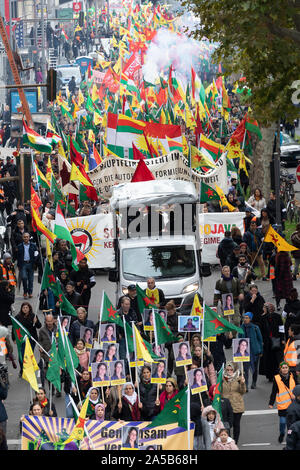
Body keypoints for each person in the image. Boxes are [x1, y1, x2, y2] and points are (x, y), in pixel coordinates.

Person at [269, 361, 296, 443]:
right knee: (283, 422)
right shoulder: (277, 378)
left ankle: (290, 437)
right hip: (283, 406)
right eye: (283, 368)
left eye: (286, 368)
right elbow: (274, 392)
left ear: (288, 368)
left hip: (292, 405)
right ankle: (282, 433)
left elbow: (297, 387)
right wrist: (271, 403)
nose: (285, 369)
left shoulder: (292, 376)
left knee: (290, 425)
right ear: (280, 369)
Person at [12, 302, 42, 373]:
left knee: (28, 355)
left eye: (26, 308)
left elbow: (39, 326)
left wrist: (36, 321)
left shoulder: (33, 316)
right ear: (21, 309)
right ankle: (22, 369)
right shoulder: (18, 317)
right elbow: (14, 328)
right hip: (22, 339)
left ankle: (28, 369)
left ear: (29, 308)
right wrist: (14, 338)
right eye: (23, 308)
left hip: (31, 339)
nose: (25, 309)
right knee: (22, 355)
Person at [222, 361, 246, 445]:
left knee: (236, 424)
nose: (229, 371)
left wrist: (242, 384)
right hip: (226, 406)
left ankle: (235, 442)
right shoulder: (222, 379)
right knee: (227, 425)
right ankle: (227, 441)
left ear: (234, 369)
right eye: (227, 370)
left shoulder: (239, 378)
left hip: (237, 405)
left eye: (231, 370)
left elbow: (243, 391)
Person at [213, 265, 244, 333]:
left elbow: (240, 289)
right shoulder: (219, 282)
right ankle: (228, 337)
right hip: (225, 304)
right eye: (225, 271)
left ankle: (234, 334)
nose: (227, 273)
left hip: (235, 303)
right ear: (222, 272)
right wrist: (214, 306)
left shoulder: (236, 280)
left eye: (228, 271)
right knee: (226, 321)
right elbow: (216, 294)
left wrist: (241, 294)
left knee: (236, 321)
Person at [259, 303, 285, 382]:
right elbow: (261, 329)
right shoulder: (263, 317)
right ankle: (271, 375)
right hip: (268, 341)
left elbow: (281, 327)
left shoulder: (276, 316)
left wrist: (282, 338)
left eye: (264, 307)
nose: (263, 308)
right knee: (270, 359)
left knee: (274, 359)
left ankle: (275, 374)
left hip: (274, 341)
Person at [238, 312, 263, 390]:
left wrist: (261, 351)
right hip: (244, 352)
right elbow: (239, 339)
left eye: (247, 318)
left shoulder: (255, 328)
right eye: (244, 318)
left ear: (250, 319)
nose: (245, 319)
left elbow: (260, 339)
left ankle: (254, 382)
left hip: (254, 352)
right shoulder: (241, 328)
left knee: (255, 368)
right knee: (245, 369)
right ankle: (246, 385)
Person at [16, 232, 39, 298]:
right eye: (24, 237)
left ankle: (30, 292)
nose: (26, 238)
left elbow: (36, 254)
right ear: (22, 238)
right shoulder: (19, 246)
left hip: (31, 263)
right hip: (23, 264)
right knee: (24, 278)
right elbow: (18, 256)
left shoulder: (33, 245)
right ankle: (25, 291)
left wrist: (35, 262)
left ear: (29, 237)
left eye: (27, 237)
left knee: (31, 279)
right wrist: (18, 265)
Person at [38, 313, 57, 389]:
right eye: (47, 321)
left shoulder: (58, 329)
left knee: (57, 373)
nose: (49, 323)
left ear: (53, 321)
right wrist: (40, 347)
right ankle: (51, 389)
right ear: (45, 321)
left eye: (50, 321)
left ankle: (58, 389)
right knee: (49, 374)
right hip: (47, 355)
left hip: (56, 355)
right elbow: (39, 341)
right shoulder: (42, 330)